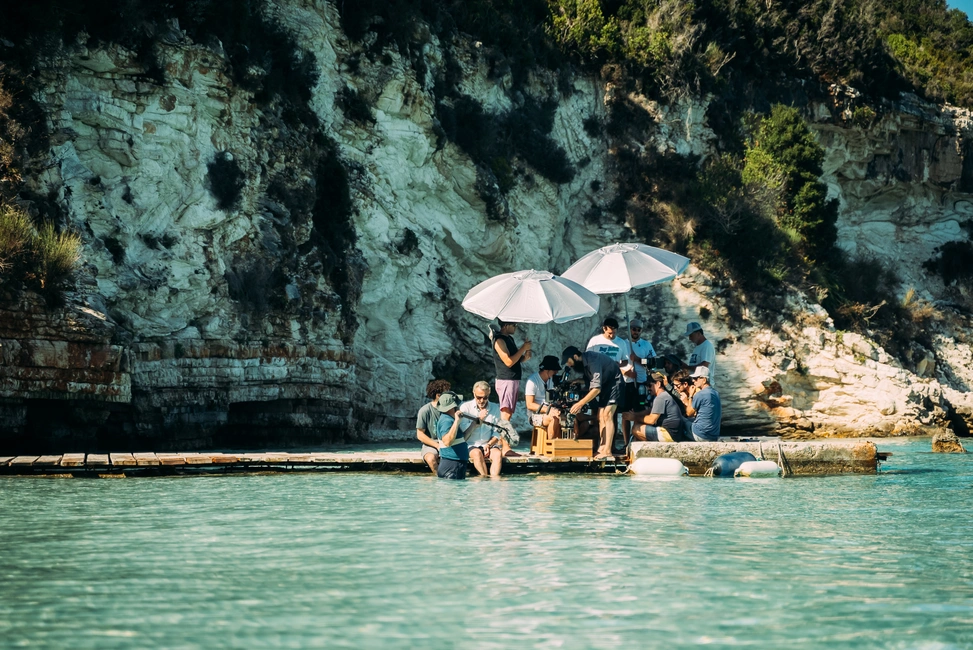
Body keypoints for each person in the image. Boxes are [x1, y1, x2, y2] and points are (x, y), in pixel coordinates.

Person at [561, 345, 624, 460]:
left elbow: (596, 388)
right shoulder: (584, 363)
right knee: (601, 416)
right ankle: (602, 447)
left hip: (615, 383)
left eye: (569, 362)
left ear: (575, 356)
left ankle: (608, 450)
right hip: (605, 385)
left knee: (608, 415)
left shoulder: (592, 361)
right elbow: (590, 380)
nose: (568, 365)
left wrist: (580, 403)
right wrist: (576, 381)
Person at [491, 319, 531, 455]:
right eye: (514, 325)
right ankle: (506, 448)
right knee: (506, 413)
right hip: (506, 379)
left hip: (512, 379)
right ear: (506, 326)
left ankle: (501, 444)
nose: (516, 327)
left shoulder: (509, 339)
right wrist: (523, 348)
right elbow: (508, 362)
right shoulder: (499, 340)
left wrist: (525, 356)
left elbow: (515, 360)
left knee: (508, 412)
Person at [622, 372, 686, 442]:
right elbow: (650, 410)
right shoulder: (663, 395)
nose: (648, 388)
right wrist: (635, 415)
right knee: (638, 423)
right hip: (673, 433)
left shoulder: (661, 398)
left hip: (669, 434)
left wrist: (634, 417)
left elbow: (651, 420)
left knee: (636, 429)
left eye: (650, 385)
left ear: (658, 384)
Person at [459, 381, 504, 478]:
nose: (482, 400)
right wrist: (478, 421)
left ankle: (494, 481)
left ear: (489, 394)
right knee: (477, 453)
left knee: (497, 454)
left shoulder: (495, 408)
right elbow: (464, 434)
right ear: (473, 393)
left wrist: (489, 444)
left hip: (487, 443)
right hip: (470, 444)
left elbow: (497, 432)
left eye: (485, 397)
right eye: (479, 397)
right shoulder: (465, 408)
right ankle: (484, 479)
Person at [622, 319, 657, 442]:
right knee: (625, 414)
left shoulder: (646, 345)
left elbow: (653, 362)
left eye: (638, 329)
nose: (635, 331)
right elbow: (617, 363)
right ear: (629, 329)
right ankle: (626, 442)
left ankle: (637, 439)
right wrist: (626, 372)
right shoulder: (623, 344)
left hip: (641, 383)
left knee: (639, 411)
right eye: (633, 329)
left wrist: (638, 359)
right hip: (626, 383)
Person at [415, 379, 451, 474]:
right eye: (446, 394)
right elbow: (420, 434)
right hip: (432, 444)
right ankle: (438, 478)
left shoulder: (451, 409)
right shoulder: (425, 410)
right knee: (431, 459)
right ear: (438, 395)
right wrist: (437, 446)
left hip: (449, 442)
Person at [677, 366, 722, 441]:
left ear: (704, 380)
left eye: (696, 378)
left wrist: (690, 396)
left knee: (679, 419)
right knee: (690, 420)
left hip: (701, 435)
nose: (693, 381)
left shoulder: (701, 394)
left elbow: (689, 413)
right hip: (714, 436)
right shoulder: (716, 393)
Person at [525, 356, 563, 441]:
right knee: (554, 418)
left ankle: (563, 445)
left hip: (551, 409)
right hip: (535, 414)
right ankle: (551, 445)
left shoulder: (552, 380)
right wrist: (549, 410)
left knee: (568, 418)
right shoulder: (532, 381)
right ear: (547, 370)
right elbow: (529, 404)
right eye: (554, 370)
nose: (556, 372)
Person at [434, 391, 469, 479]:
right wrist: (457, 422)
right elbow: (447, 442)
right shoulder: (446, 421)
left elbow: (461, 439)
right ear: (453, 406)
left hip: (456, 464)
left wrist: (474, 426)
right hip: (451, 465)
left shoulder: (450, 419)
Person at [685, 321, 717, 388]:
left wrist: (687, 367)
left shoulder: (706, 346)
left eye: (691, 335)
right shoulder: (698, 347)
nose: (690, 338)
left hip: (704, 384)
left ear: (698, 334)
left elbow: (704, 366)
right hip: (697, 383)